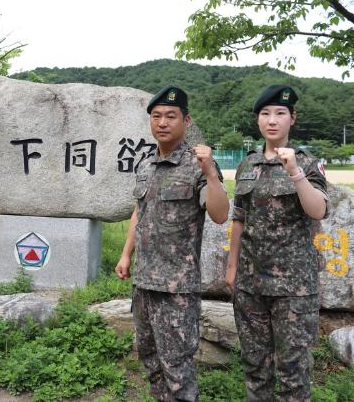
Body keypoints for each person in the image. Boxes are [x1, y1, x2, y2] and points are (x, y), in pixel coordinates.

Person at [115, 86, 229, 401]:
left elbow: (220, 215)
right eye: (156, 116)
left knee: (177, 370)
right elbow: (140, 213)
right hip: (143, 283)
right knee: (151, 363)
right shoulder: (145, 165)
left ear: (186, 120)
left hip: (176, 290)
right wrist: (126, 255)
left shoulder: (198, 165)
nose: (162, 122)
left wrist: (211, 175)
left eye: (170, 116)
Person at [225, 85, 328, 401]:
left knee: (293, 373)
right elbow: (239, 218)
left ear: (292, 118)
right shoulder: (248, 164)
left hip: (293, 289)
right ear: (258, 120)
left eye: (280, 113)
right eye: (265, 114)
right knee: (255, 369)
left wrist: (295, 172)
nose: (272, 120)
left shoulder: (307, 163)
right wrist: (231, 268)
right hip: (250, 285)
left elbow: (319, 210)